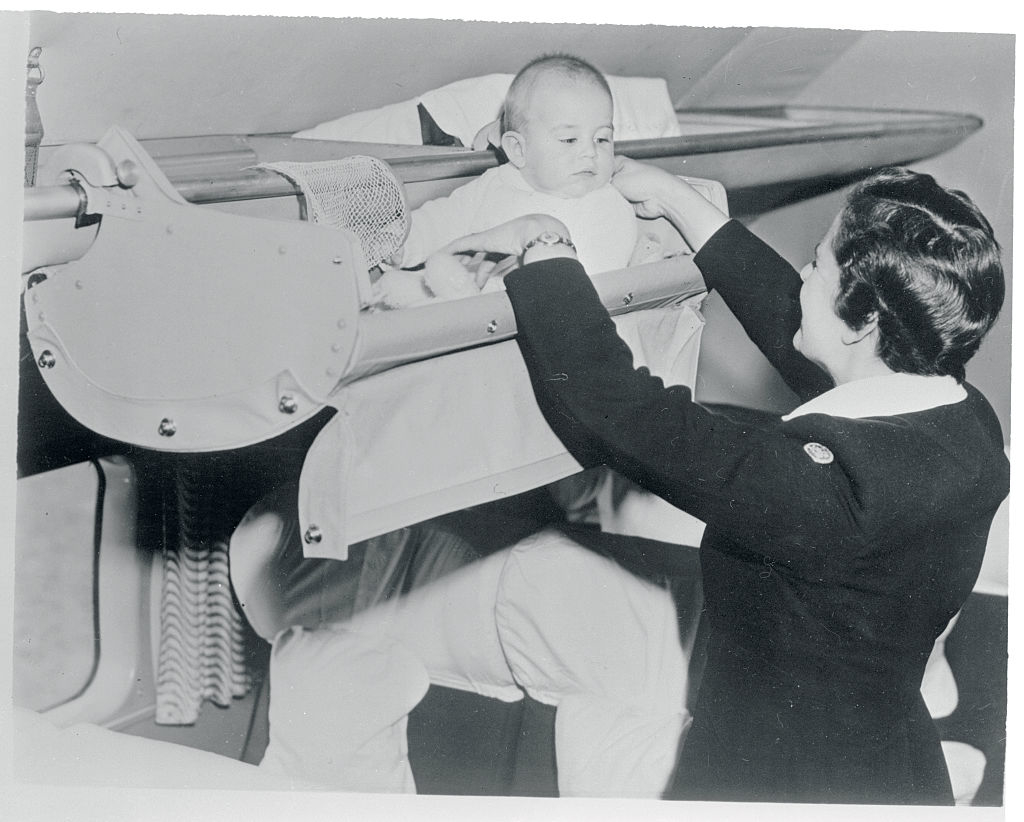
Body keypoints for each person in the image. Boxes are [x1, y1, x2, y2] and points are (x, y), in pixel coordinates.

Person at [440, 161, 1010, 804]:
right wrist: (680, 202)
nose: (802, 275)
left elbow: (615, 410)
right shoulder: (964, 421)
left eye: (817, 265)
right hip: (889, 762)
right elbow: (802, 329)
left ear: (865, 319)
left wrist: (545, 252)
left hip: (776, 779)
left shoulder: (829, 492)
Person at [374, 54, 640, 307]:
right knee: (397, 285)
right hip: (461, 293)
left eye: (602, 138)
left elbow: (594, 288)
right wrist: (402, 243)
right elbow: (444, 217)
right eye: (569, 140)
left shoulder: (608, 206)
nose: (590, 152)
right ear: (518, 150)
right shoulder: (496, 183)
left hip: (528, 316)